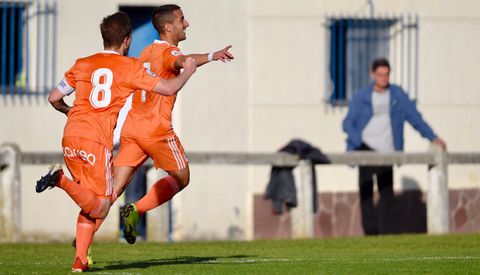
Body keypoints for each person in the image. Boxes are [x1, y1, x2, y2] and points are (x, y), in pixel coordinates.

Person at [35, 11, 197, 272]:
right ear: (126, 40)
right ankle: (60, 181)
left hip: (70, 137)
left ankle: (80, 261)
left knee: (95, 201)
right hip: (96, 142)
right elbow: (168, 88)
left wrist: (69, 111)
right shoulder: (128, 66)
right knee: (100, 206)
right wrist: (188, 71)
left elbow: (54, 97)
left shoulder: (82, 63)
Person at [112, 4, 234, 244]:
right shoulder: (169, 53)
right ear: (168, 27)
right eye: (182, 19)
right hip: (156, 130)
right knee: (181, 177)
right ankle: (136, 209)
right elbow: (182, 61)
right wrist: (212, 56)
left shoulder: (145, 52)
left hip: (132, 128)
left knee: (114, 190)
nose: (186, 24)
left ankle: (84, 238)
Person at [342, 58, 446, 235]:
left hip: (388, 151)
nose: (383, 78)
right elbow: (347, 123)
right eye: (379, 74)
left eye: (386, 74)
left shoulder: (397, 95)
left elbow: (415, 118)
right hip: (365, 148)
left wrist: (433, 137)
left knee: (386, 194)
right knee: (366, 192)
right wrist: (358, 140)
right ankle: (371, 234)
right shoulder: (362, 96)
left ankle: (385, 233)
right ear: (372, 75)